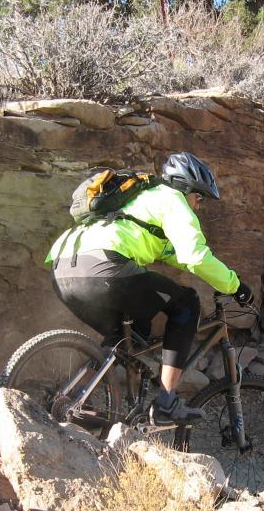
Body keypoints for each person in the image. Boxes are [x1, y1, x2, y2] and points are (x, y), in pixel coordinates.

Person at [44, 152, 253, 424]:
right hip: (104, 267)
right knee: (186, 304)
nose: (198, 206)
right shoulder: (172, 199)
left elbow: (176, 254)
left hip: (63, 271)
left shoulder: (140, 201)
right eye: (199, 198)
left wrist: (219, 275)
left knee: (131, 335)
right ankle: (167, 402)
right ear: (187, 188)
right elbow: (195, 256)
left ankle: (71, 400)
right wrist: (236, 286)